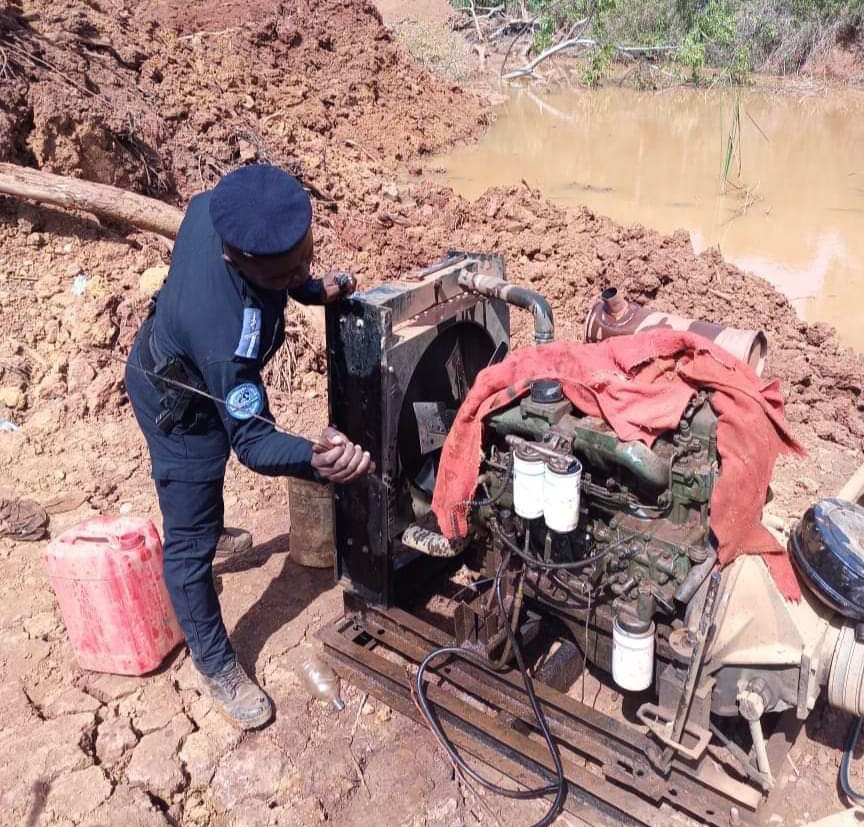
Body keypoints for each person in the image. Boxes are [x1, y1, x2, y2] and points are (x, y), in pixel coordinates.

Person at [125, 164, 373, 729]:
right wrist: (317, 458)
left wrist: (308, 288)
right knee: (188, 536)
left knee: (204, 515)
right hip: (180, 405)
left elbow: (278, 268)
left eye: (306, 257)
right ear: (240, 261)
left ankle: (213, 534)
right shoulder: (225, 338)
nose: (303, 270)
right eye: (288, 272)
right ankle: (216, 665)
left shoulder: (219, 208)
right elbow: (254, 444)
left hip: (190, 353)